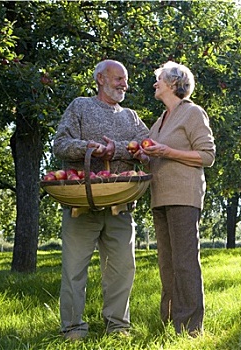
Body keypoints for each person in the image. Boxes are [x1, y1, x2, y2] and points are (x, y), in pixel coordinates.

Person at [53, 59, 149, 341]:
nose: (124, 84)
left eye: (125, 79)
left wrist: (115, 149)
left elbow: (146, 146)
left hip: (121, 205)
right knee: (74, 270)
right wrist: (90, 149)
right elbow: (60, 144)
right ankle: (72, 329)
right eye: (118, 78)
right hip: (82, 203)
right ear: (100, 79)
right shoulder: (81, 106)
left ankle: (118, 326)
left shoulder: (131, 116)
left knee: (122, 269)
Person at [134, 61, 215, 336]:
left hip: (184, 196)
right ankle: (170, 322)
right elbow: (158, 152)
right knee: (167, 263)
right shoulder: (160, 120)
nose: (154, 83)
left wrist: (166, 151)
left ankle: (191, 328)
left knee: (184, 262)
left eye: (159, 79)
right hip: (161, 198)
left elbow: (207, 156)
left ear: (172, 83)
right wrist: (145, 155)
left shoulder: (192, 113)